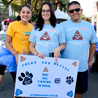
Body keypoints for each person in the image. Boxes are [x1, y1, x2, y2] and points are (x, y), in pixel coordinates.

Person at [60, 1, 98, 98]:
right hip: (65, 66)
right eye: (72, 11)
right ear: (68, 13)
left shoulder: (89, 26)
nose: (75, 12)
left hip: (82, 66)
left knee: (79, 91)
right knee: (64, 91)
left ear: (81, 10)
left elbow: (92, 44)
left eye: (77, 10)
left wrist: (90, 61)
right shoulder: (62, 26)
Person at [3, 4, 33, 98]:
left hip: (28, 59)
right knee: (19, 86)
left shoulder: (32, 27)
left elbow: (32, 44)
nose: (25, 14)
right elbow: (7, 43)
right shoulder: (13, 25)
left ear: (31, 14)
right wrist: (15, 54)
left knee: (26, 86)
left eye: (28, 12)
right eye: (23, 12)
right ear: (19, 13)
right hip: (15, 59)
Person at [0, 18, 13, 89]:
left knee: (13, 70)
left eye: (8, 24)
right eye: (5, 23)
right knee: (1, 70)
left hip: (11, 53)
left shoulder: (14, 33)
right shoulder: (1, 32)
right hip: (2, 54)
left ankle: (16, 83)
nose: (6, 25)